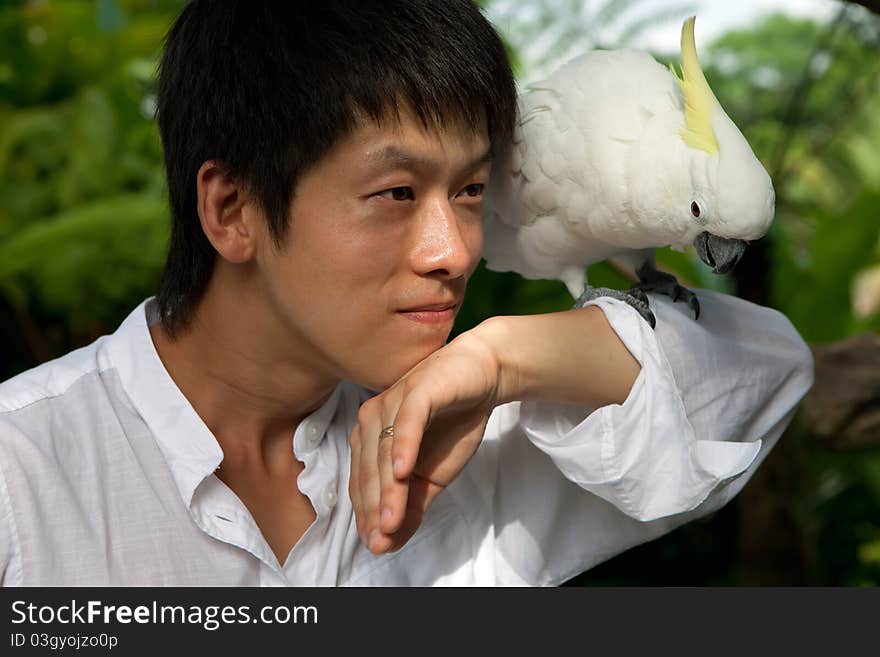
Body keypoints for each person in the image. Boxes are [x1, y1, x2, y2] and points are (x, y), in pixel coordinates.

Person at [0, 0, 812, 586]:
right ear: (232, 209)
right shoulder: (22, 474)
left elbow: (763, 373)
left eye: (469, 191)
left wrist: (506, 354)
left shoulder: (466, 441)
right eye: (394, 193)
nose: (454, 251)